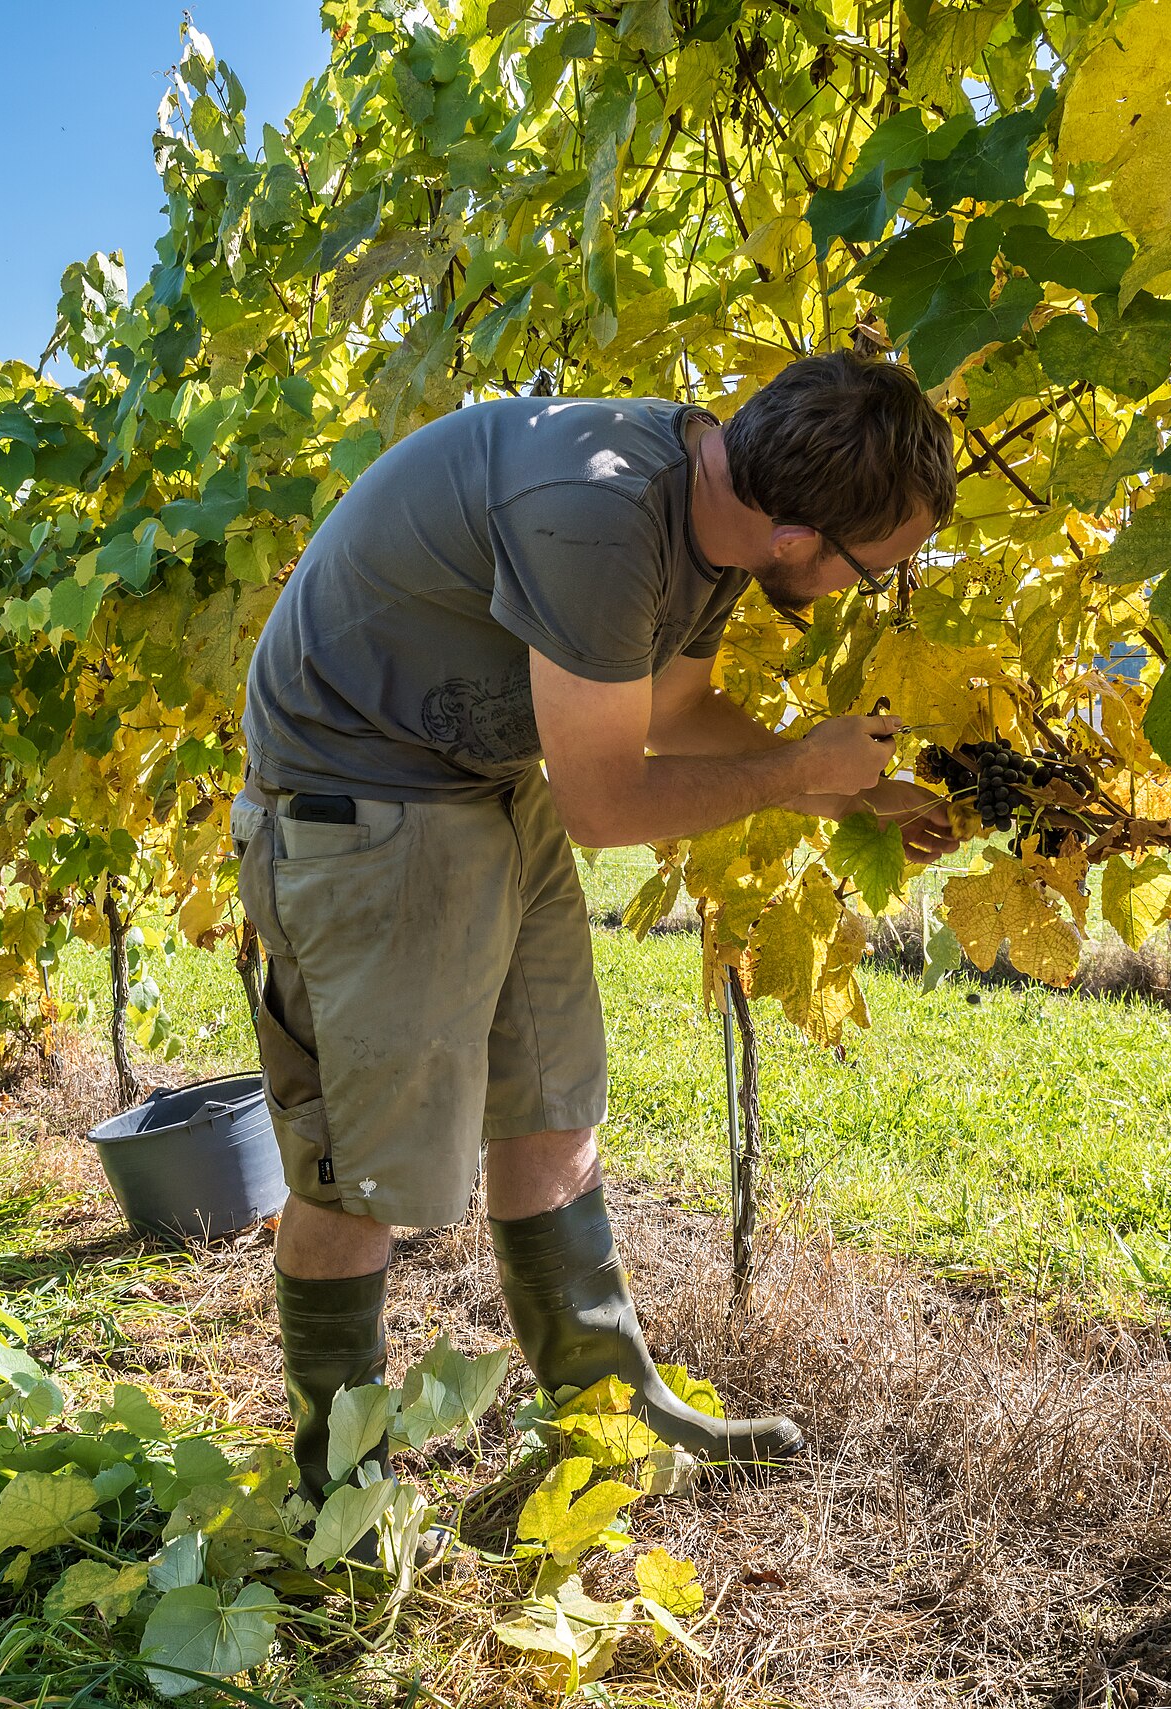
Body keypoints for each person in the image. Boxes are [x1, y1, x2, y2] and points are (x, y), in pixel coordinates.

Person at [236, 353, 963, 1485]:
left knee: (551, 1104)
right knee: (363, 1167)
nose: (857, 588)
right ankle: (341, 1471)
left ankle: (606, 1405)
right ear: (795, 535)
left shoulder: (709, 516)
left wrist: (854, 788)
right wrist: (791, 773)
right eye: (868, 569)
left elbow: (671, 711)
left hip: (482, 780)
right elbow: (607, 801)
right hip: (363, 796)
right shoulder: (599, 515)